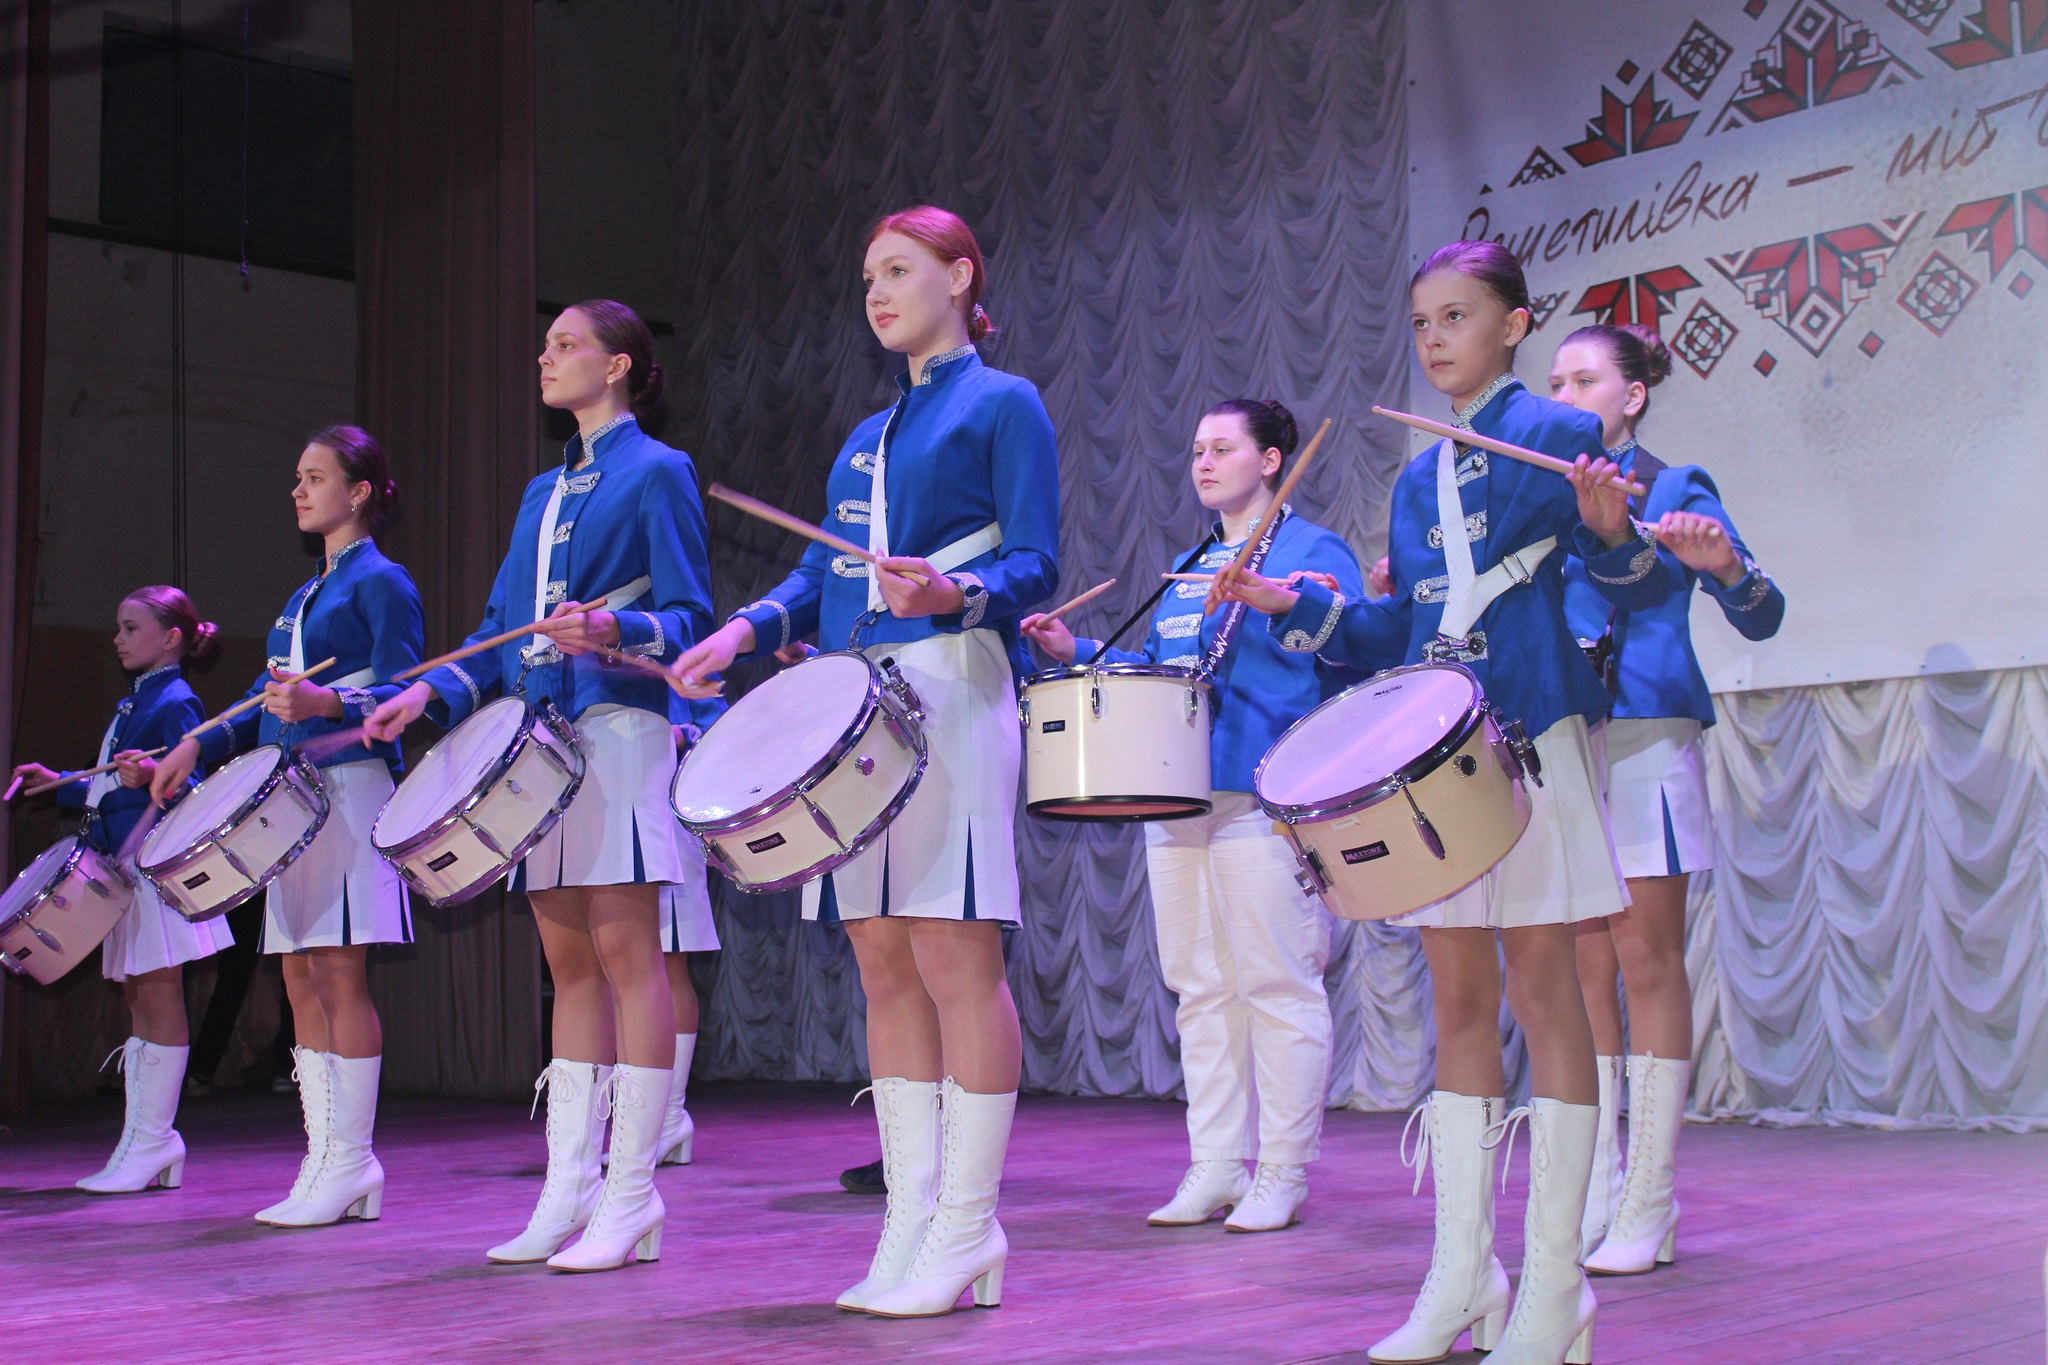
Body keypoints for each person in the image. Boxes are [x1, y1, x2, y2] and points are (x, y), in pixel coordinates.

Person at [1217, 241, 1676, 1364]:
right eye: (1421, 320)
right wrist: (1291, 603)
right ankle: (1463, 1274)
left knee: (1547, 991)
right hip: (1442, 755)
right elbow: (1409, 629)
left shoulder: (1561, 434)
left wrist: (1610, 530)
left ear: (1512, 325)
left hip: (1534, 736)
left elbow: (1635, 582)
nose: (1433, 339)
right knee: (1457, 1000)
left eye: (1456, 316)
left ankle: (1556, 1287)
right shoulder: (1417, 475)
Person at [672, 206, 1057, 1317]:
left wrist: (954, 590)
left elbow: (1036, 560)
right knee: (881, 961)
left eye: (898, 270)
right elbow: (819, 577)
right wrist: (739, 631)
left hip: (953, 688)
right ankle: (909, 1218)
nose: (877, 291)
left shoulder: (1005, 403)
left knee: (954, 956)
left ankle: (969, 1224)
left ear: (959, 275)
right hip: (858, 710)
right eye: (868, 276)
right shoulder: (865, 436)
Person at [365, 300, 712, 1273]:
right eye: (546, 344)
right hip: (539, 744)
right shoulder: (539, 492)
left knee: (629, 955)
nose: (544, 357)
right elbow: (498, 630)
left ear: (619, 365)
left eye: (566, 345)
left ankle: (632, 1191)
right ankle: (569, 1187)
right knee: (566, 966)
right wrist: (427, 691)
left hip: (619, 731)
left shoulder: (659, 470)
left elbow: (690, 616)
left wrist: (614, 631)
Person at [1021, 398, 1361, 1233]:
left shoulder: (1314, 552)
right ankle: (1215, 1162)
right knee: (1199, 986)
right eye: (1197, 449)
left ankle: (1282, 1169)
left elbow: (1352, 645)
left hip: (1265, 791)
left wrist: (1284, 601)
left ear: (1272, 460)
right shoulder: (1190, 562)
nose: (1203, 462)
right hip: (1178, 793)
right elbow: (1173, 670)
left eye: (1222, 448)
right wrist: (1080, 652)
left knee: (1277, 980)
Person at [1548, 323, 1785, 1274]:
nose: (1564, 395)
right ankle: (1598, 1188)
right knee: (1579, 967)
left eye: (1583, 379)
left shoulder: (1675, 483)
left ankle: (1651, 1196)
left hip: (1645, 731)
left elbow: (1762, 612)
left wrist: (1723, 565)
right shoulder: (1540, 491)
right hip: (1562, 736)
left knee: (1646, 958)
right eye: (1554, 381)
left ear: (1632, 395)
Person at [152, 426, 422, 1229]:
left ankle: (354, 1158)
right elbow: (257, 700)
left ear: (360, 491)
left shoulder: (384, 581)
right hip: (291, 799)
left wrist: (328, 701)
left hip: (348, 790)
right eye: (297, 478)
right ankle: (324, 1156)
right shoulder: (304, 596)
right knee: (298, 976)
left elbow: (405, 689)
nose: (298, 490)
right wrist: (197, 741)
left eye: (315, 477)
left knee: (338, 972)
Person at [13, 587, 232, 1192]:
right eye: (118, 627)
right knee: (140, 996)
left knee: (157, 993)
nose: (118, 639)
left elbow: (193, 786)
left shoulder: (176, 701)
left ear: (171, 638)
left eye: (131, 628)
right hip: (125, 864)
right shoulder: (138, 698)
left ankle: (155, 1140)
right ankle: (144, 1140)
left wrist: (157, 775)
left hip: (154, 863)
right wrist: (59, 782)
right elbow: (112, 783)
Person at [654, 692, 726, 1166]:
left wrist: (681, 735)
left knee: (666, 962)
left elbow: (722, 729)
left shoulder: (680, 656)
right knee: (607, 966)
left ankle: (668, 1117)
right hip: (598, 808)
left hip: (665, 810)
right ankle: (630, 1117)